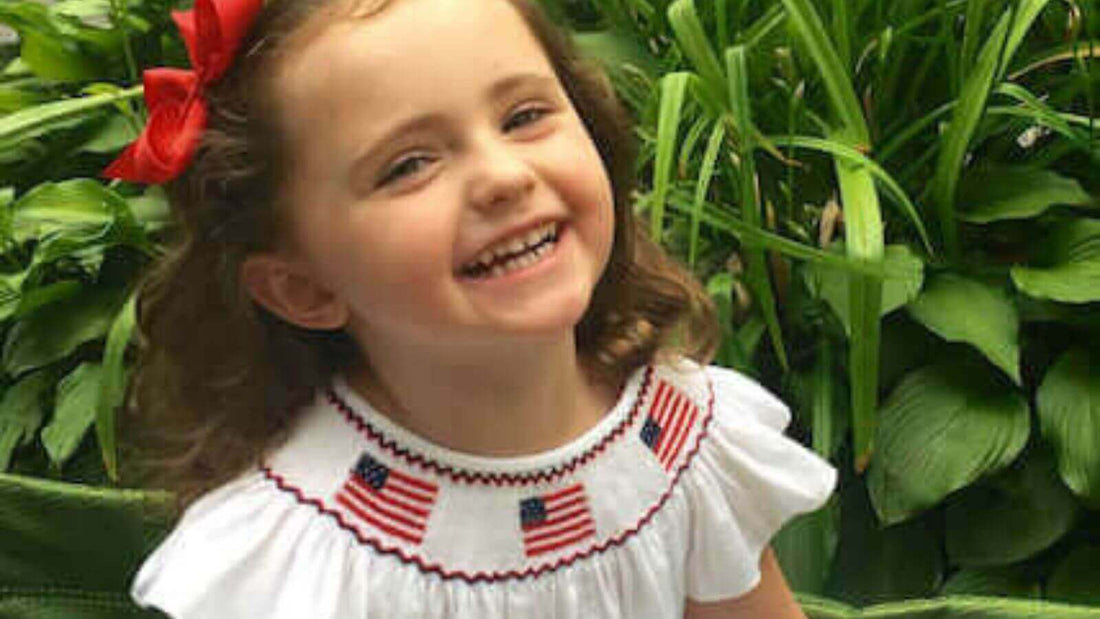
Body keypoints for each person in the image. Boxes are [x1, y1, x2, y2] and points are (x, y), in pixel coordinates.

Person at [109, 0, 837, 616]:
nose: (501, 176)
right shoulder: (302, 560)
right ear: (307, 287)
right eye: (409, 164)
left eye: (524, 115)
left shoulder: (675, 445)